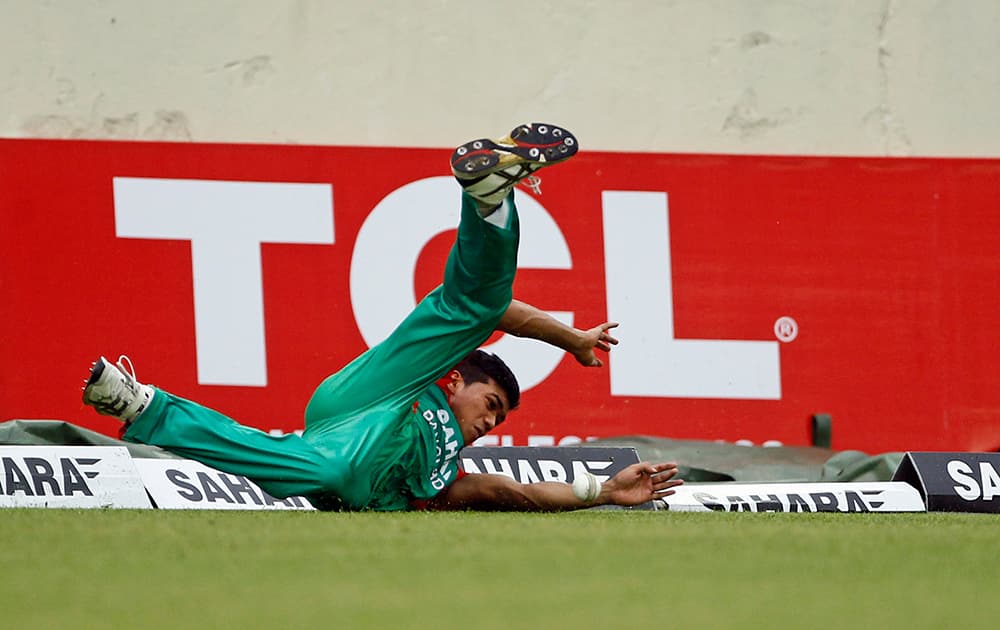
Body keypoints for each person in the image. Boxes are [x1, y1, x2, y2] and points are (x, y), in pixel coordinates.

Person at [82, 122, 683, 511]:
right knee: (469, 310)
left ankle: (490, 197)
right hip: (372, 401)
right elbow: (497, 310)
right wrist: (570, 338)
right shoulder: (429, 383)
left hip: (343, 468)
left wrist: (600, 492)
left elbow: (510, 489)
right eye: (490, 405)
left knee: (322, 469)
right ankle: (492, 203)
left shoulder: (442, 470)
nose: (489, 424)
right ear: (456, 382)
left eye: (497, 420)